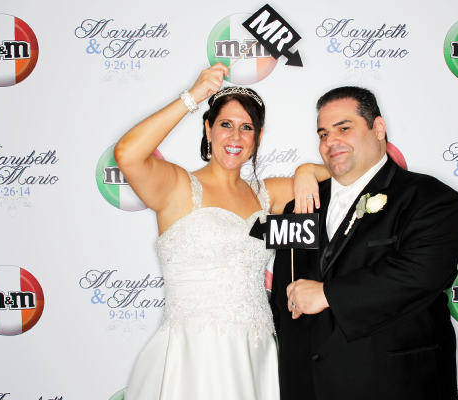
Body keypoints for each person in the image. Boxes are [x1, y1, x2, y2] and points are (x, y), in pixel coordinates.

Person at [115, 63, 329, 400]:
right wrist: (193, 96)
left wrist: (306, 170)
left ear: (258, 137)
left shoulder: (266, 195)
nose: (235, 137)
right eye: (226, 124)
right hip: (194, 354)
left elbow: (347, 172)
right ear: (208, 128)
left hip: (256, 353)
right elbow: (127, 154)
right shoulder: (177, 186)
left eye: (247, 128)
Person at [271, 86, 458, 399]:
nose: (330, 141)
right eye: (323, 134)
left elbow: (420, 274)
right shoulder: (298, 208)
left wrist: (327, 293)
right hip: (306, 386)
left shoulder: (431, 198)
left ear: (378, 128)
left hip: (393, 384)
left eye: (343, 128)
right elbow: (284, 299)